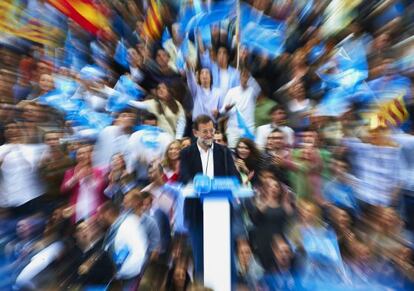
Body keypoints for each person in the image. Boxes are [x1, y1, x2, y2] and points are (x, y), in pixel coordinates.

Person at [179, 114, 240, 280]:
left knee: (225, 257)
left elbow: (236, 178)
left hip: (221, 212)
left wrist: (225, 184)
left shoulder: (224, 152)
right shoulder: (186, 153)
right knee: (201, 257)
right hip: (197, 212)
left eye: (211, 131)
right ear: (195, 132)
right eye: (204, 131)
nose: (209, 134)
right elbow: (183, 177)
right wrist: (198, 182)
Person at [98, 201, 148, 290]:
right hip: (122, 277)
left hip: (131, 277)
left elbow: (139, 254)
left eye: (100, 215)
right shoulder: (114, 228)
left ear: (108, 213)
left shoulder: (128, 225)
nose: (98, 218)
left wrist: (120, 272)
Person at [61, 144, 107, 223]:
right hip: (77, 213)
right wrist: (75, 178)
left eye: (86, 153)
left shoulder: (98, 171)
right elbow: (63, 190)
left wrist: (90, 178)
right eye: (79, 153)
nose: (83, 155)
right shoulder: (70, 172)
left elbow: (101, 189)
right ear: (76, 157)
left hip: (94, 213)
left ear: (90, 155)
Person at [126, 112, 173, 186]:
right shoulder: (135, 137)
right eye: (148, 126)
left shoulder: (166, 137)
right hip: (142, 177)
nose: (151, 129)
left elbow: (169, 157)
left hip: (161, 177)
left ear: (157, 125)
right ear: (142, 125)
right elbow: (131, 160)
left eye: (153, 126)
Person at [219, 67, 260, 148]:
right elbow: (222, 111)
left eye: (246, 76)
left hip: (248, 128)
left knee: (248, 153)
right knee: (232, 152)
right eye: (242, 76)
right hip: (233, 129)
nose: (244, 79)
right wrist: (226, 109)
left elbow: (258, 88)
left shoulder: (253, 91)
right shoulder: (231, 91)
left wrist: (249, 76)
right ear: (239, 77)